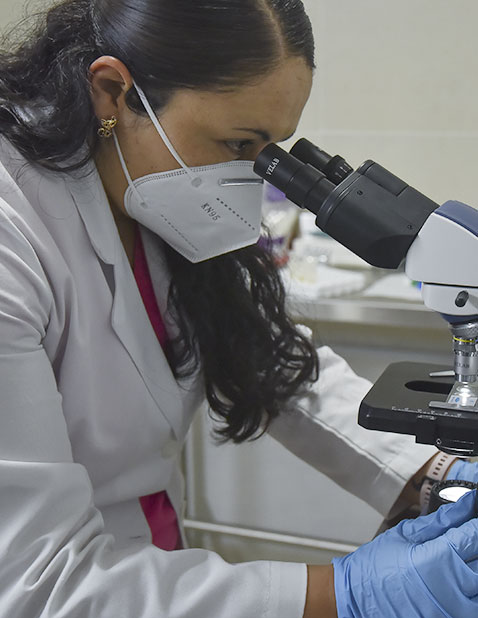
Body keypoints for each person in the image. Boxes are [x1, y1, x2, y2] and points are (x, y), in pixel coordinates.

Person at [0, 1, 477, 616]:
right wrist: (347, 594)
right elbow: (36, 584)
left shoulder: (148, 191)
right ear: (112, 91)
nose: (255, 176)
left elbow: (269, 363)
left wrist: (434, 474)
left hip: (157, 572)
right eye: (238, 143)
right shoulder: (16, 230)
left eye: (271, 149)